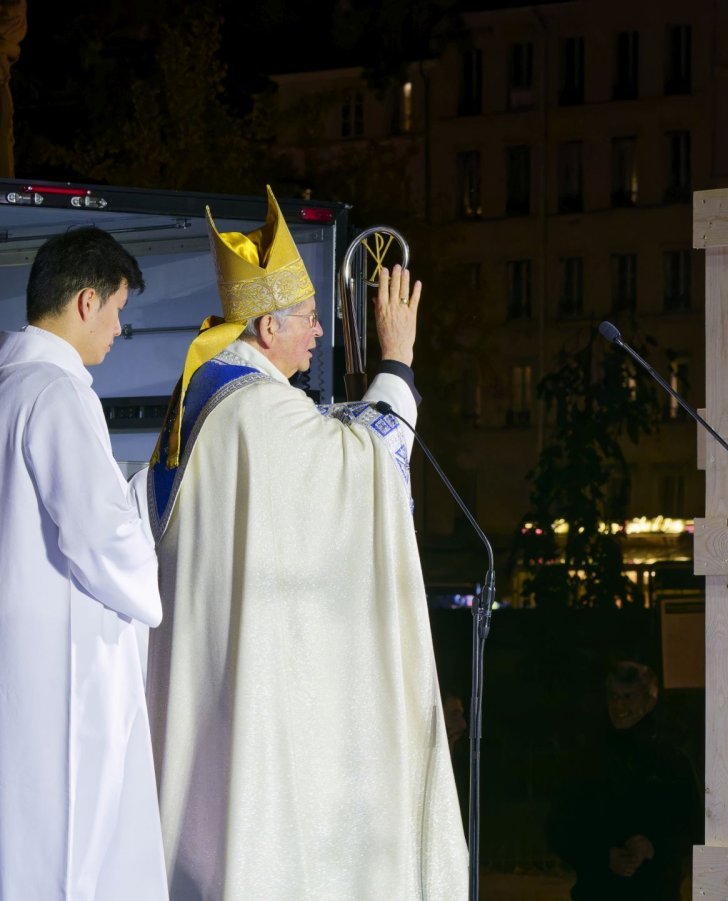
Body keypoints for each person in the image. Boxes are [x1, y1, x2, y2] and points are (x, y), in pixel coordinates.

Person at [146, 187, 466, 900]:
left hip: (212, 693)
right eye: (310, 318)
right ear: (266, 324)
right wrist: (399, 361)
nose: (319, 332)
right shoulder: (258, 411)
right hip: (247, 696)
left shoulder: (206, 401)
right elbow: (370, 465)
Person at [0, 226, 167, 899]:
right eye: (120, 310)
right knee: (69, 854)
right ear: (87, 302)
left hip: (19, 668)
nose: (120, 330)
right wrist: (152, 571)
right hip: (58, 674)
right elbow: (98, 537)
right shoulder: (57, 394)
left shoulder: (12, 388)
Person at [547, 660, 702, 901]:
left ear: (649, 701)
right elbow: (558, 827)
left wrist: (654, 846)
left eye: (628, 697)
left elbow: (694, 826)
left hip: (656, 891)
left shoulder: (671, 761)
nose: (619, 705)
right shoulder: (587, 759)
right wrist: (602, 856)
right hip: (598, 890)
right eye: (613, 696)